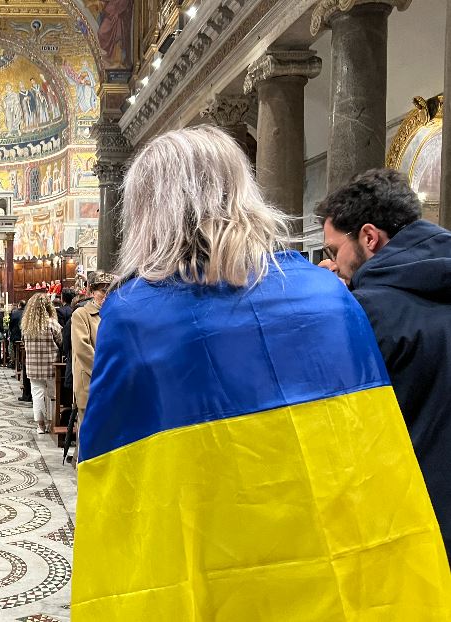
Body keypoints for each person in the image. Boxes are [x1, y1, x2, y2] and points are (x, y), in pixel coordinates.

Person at [71, 126, 451, 620]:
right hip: (320, 559)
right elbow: (371, 449)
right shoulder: (327, 292)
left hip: (210, 552)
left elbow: (114, 465)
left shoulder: (132, 314)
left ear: (148, 211)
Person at [316, 167, 451, 554]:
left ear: (369, 237)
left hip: (416, 528)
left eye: (333, 251)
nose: (334, 265)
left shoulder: (363, 314)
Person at [70, 273, 113, 414]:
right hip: (91, 380)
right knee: (88, 431)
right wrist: (105, 372)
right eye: (102, 290)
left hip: (112, 382)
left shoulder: (115, 314)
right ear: (93, 292)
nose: (106, 294)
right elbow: (82, 349)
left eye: (110, 290)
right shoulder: (81, 314)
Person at [21, 293, 61, 434]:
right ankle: (51, 422)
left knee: (37, 394)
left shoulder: (27, 326)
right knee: (52, 394)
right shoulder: (52, 324)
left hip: (33, 365)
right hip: (51, 365)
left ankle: (40, 425)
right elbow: (60, 342)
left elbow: (25, 345)